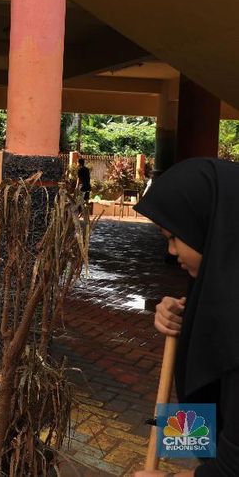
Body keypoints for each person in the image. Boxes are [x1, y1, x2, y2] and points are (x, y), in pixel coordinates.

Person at [132, 158, 239, 477]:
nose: (171, 252)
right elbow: (206, 429)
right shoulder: (222, 293)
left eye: (173, 237)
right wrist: (185, 319)